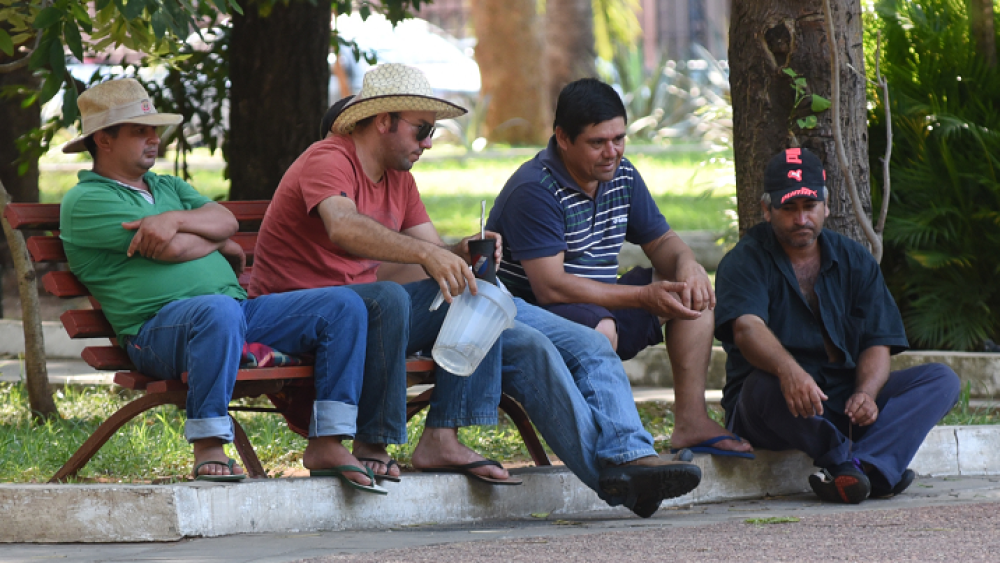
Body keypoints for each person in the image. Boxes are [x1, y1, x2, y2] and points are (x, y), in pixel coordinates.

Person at [249, 63, 703, 516]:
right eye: (423, 129)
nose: (429, 142)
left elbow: (429, 254)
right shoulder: (329, 158)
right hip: (307, 318)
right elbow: (344, 227)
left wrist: (459, 251)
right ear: (384, 120)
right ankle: (435, 435)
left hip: (374, 313)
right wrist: (431, 257)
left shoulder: (399, 178)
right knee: (467, 303)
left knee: (533, 335)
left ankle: (624, 473)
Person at [59, 78, 386, 494]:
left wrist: (174, 219)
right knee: (217, 309)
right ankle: (210, 444)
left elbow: (225, 221)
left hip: (234, 313)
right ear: (103, 140)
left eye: (155, 130)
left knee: (343, 306)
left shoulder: (167, 187)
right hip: (155, 333)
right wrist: (213, 241)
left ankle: (327, 441)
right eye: (139, 131)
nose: (154, 139)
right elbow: (171, 251)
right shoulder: (87, 201)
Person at [486, 78, 753, 459]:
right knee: (601, 328)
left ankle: (691, 421)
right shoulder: (535, 189)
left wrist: (688, 264)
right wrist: (643, 296)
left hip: (597, 302)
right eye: (598, 142)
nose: (612, 152)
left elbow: (661, 243)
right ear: (562, 138)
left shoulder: (621, 175)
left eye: (619, 138)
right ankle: (606, 445)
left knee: (692, 295)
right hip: (535, 318)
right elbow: (552, 288)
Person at [713, 147, 960, 504]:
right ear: (767, 210)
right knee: (760, 386)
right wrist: (790, 373)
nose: (801, 219)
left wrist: (866, 394)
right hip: (776, 407)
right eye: (789, 209)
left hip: (840, 400)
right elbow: (747, 328)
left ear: (826, 206)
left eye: (809, 207)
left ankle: (860, 467)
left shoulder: (853, 257)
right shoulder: (744, 260)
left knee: (940, 380)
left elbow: (878, 339)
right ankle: (860, 465)